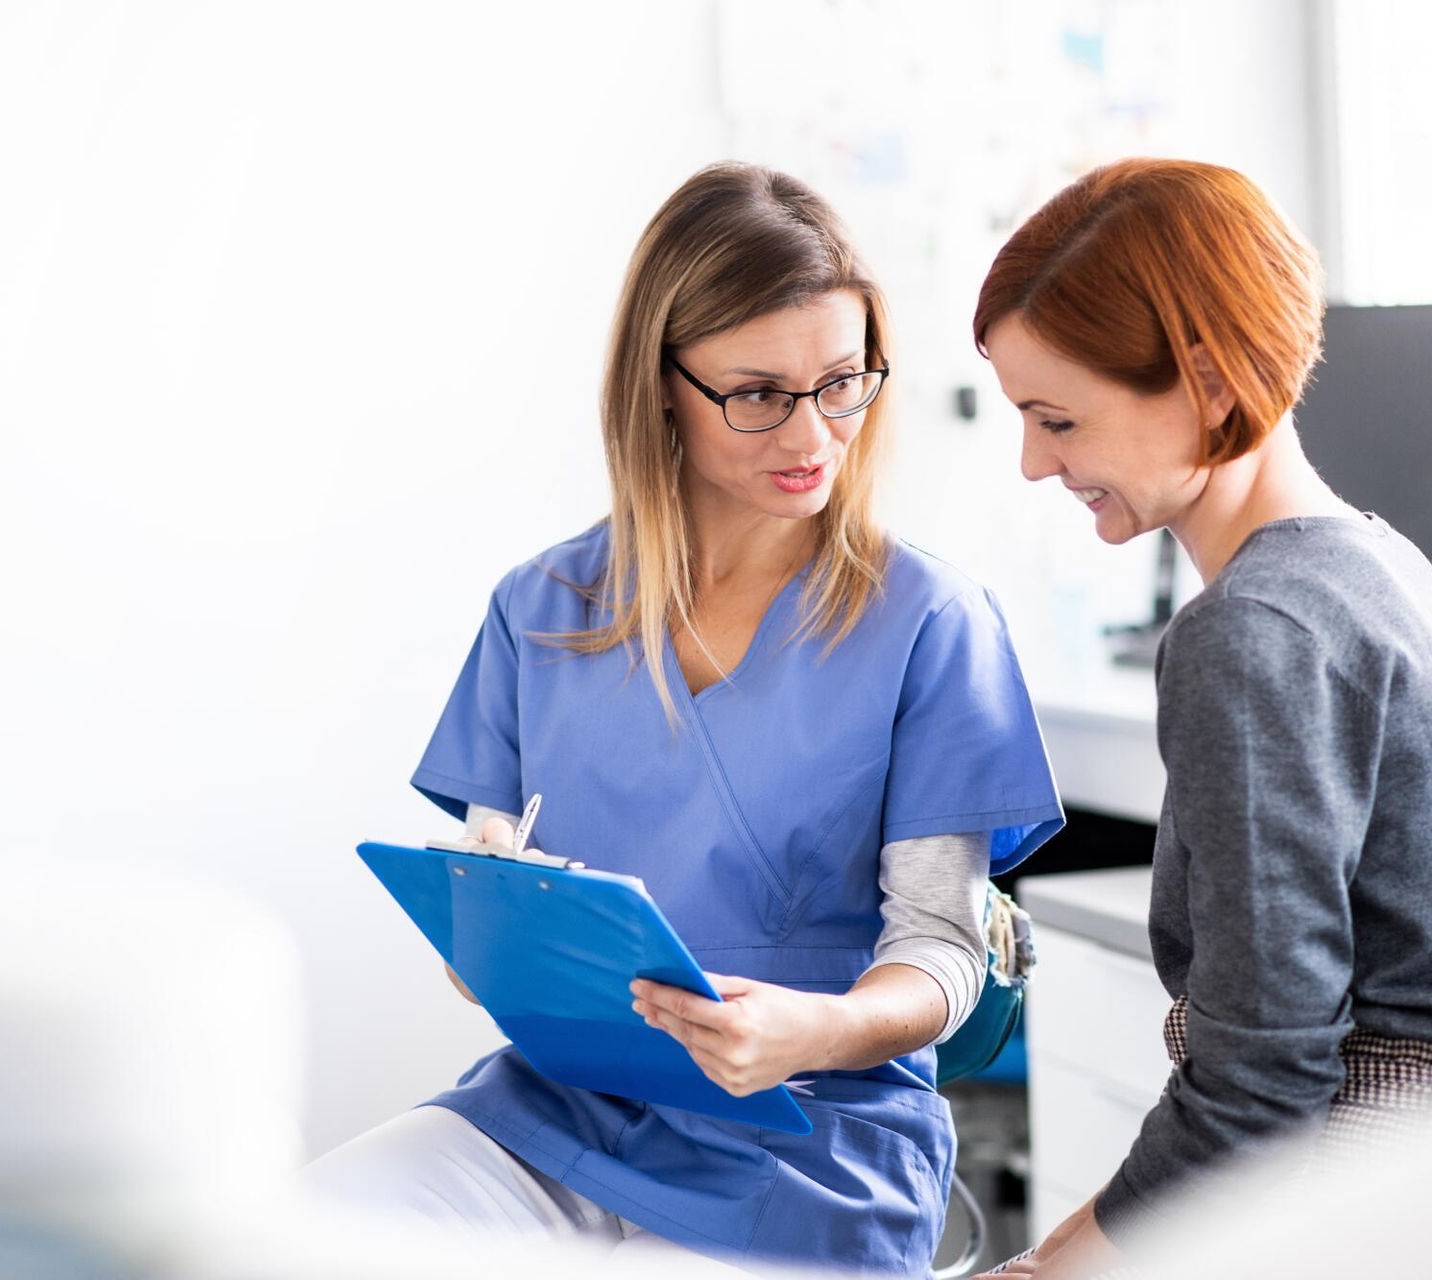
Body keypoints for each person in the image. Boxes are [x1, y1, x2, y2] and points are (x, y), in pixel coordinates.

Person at [306, 162, 1066, 1276]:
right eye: (757, 393)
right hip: (566, 1113)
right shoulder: (545, 611)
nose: (812, 433)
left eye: (844, 384)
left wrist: (813, 1027)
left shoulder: (930, 621)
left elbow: (942, 954)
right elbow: (487, 895)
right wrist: (497, 946)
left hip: (815, 1137)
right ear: (661, 382)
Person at [970, 158, 1432, 1278]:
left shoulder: (1252, 631)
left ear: (1207, 383)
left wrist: (1069, 1253)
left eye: (1058, 418)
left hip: (1404, 1190)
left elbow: (1260, 1083)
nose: (1033, 461)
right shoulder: (1376, 560)